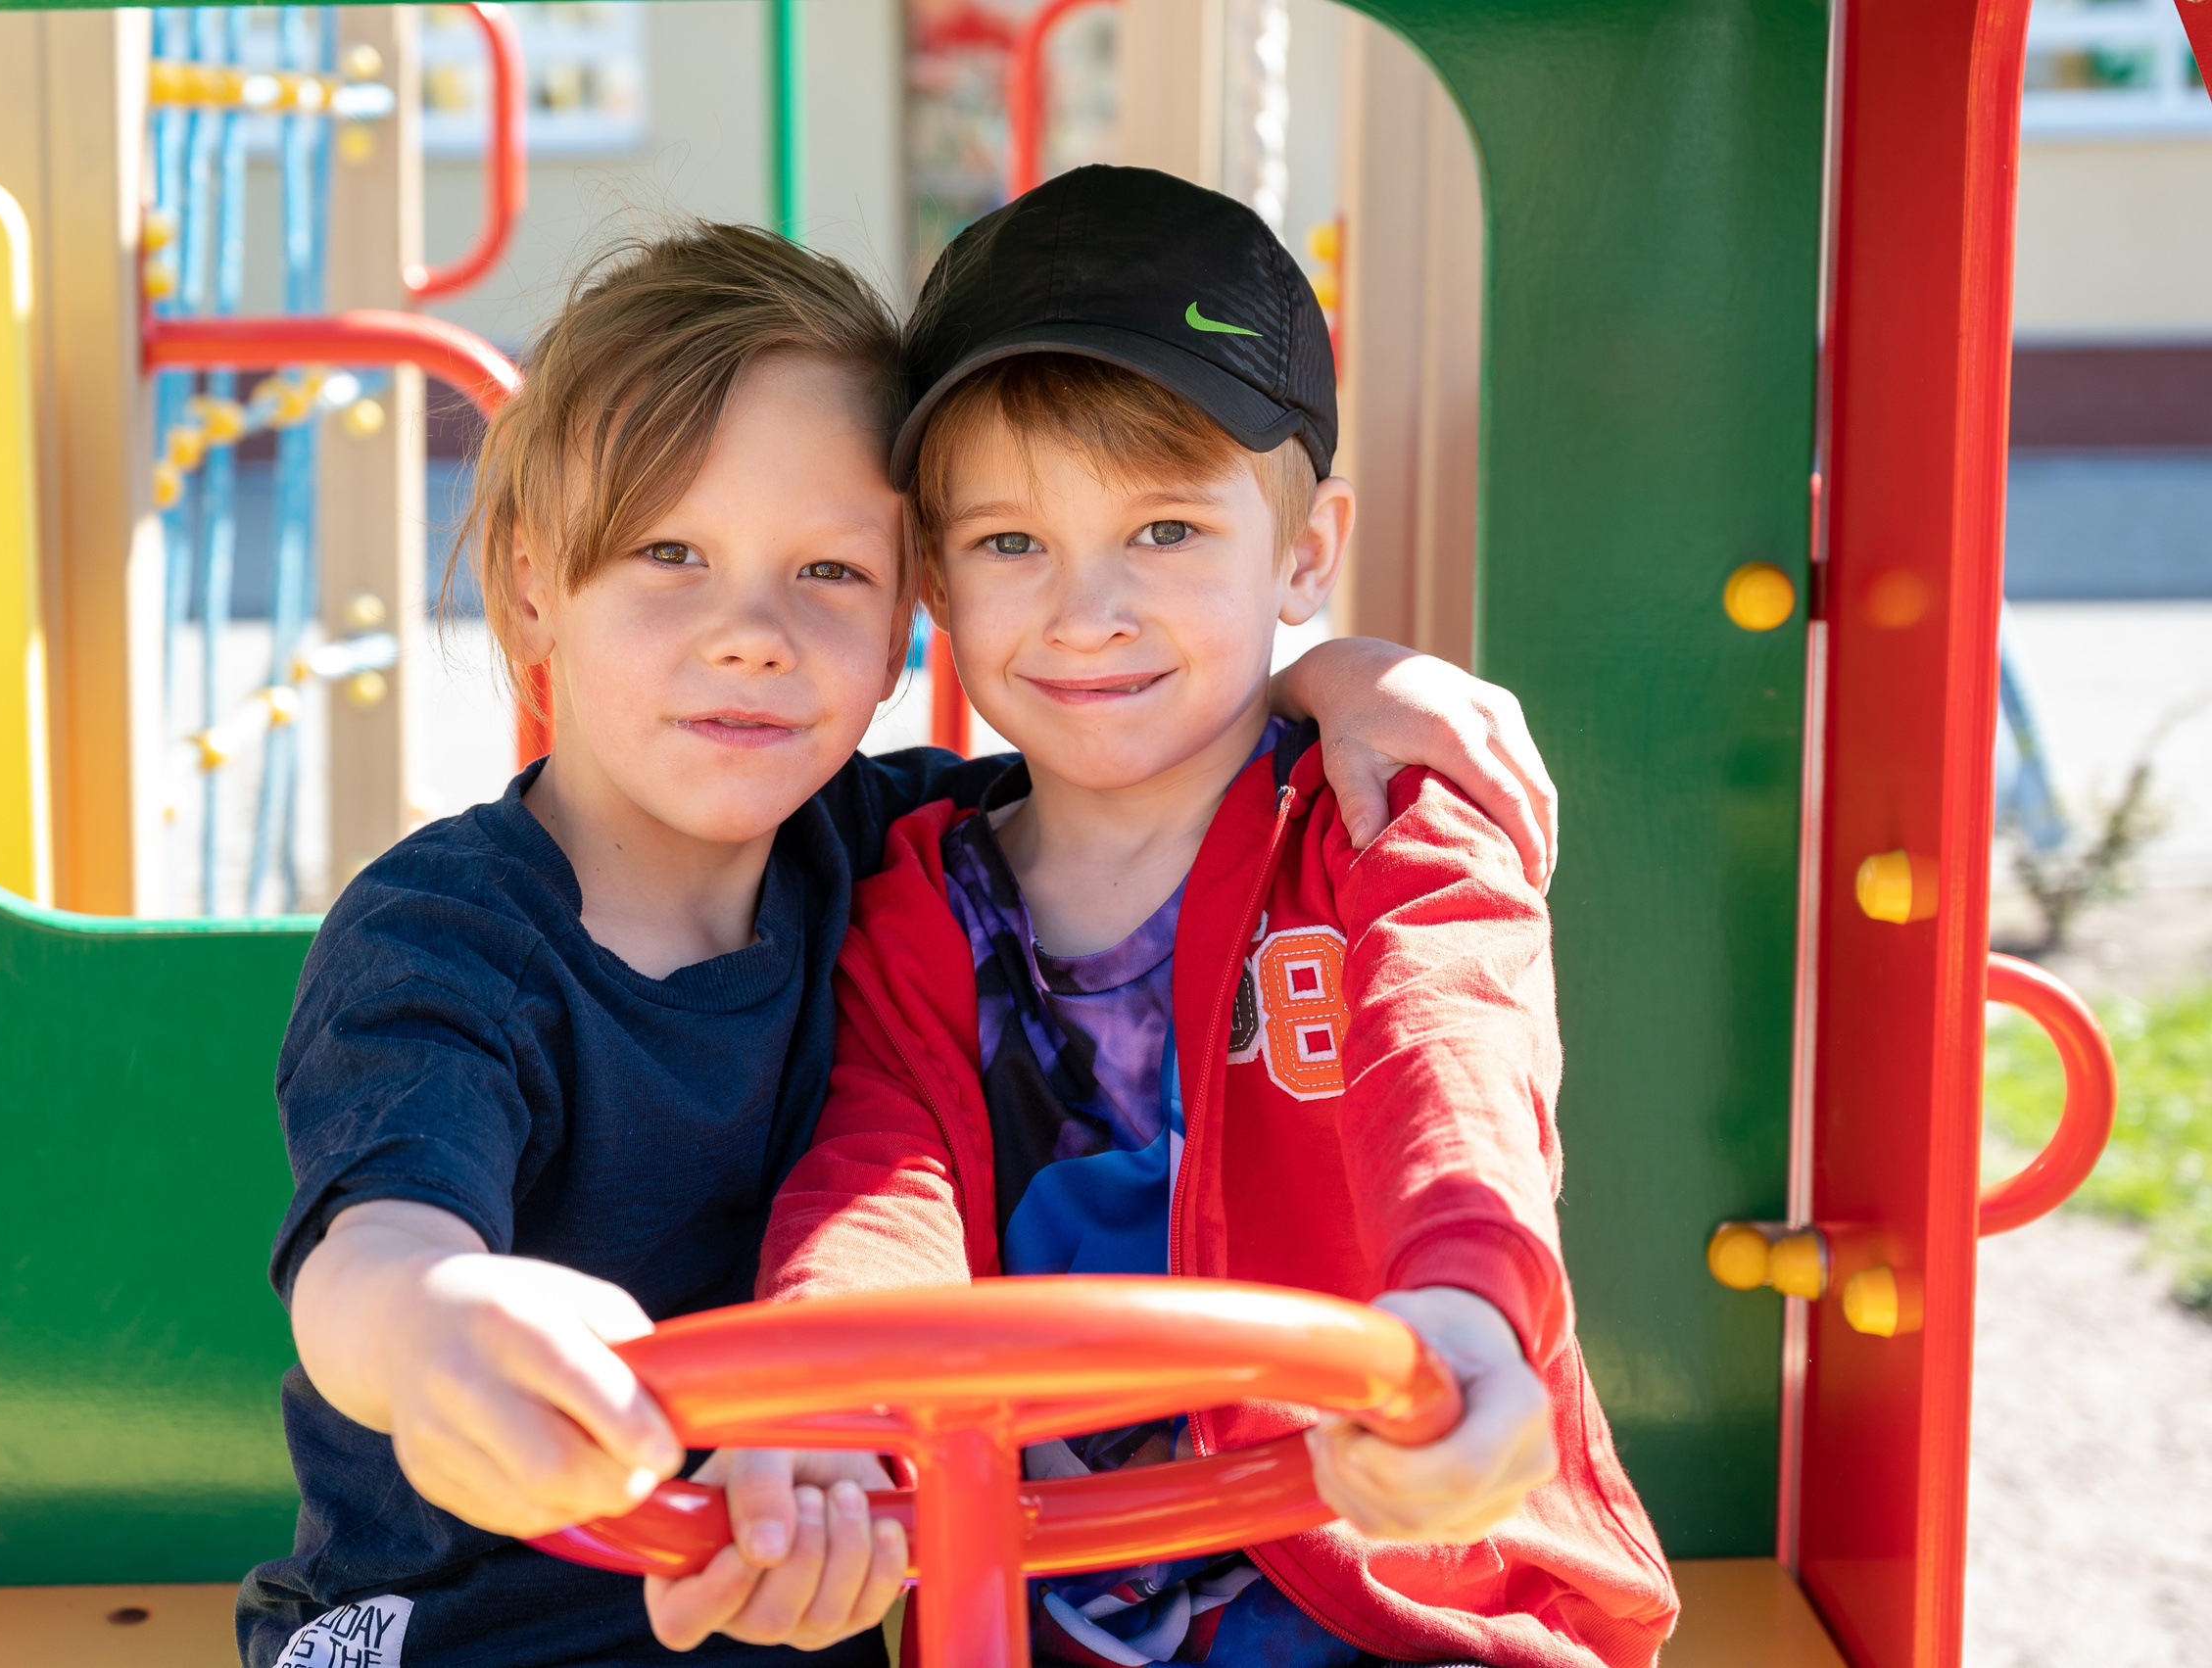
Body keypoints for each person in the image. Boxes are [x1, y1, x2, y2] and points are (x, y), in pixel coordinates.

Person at [237, 215, 1567, 1668]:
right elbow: (372, 1243)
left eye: (828, 574)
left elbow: (1151, 766)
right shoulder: (450, 937)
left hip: (803, 1592)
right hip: (465, 1629)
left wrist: (1337, 672)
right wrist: (434, 1323)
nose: (751, 634)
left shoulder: (889, 851)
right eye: (669, 553)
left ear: (901, 628)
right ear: (538, 580)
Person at [748, 167, 1677, 1667]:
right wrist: (830, 1405)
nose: (1086, 609)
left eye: (1167, 532)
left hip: (1405, 1586)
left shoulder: (1385, 826)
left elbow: (1451, 1066)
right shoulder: (919, 894)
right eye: (1009, 544)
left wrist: (1461, 1314)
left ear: (1305, 554)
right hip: (1041, 1593)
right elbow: (881, 1169)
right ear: (935, 577)